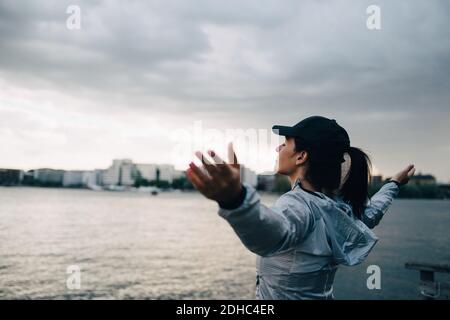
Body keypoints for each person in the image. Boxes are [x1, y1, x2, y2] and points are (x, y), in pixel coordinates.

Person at [186, 116, 415, 300]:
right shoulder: (337, 206)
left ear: (301, 156)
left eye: (285, 143)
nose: (278, 148)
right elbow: (370, 214)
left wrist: (235, 200)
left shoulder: (298, 205)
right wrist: (393, 183)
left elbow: (270, 237)